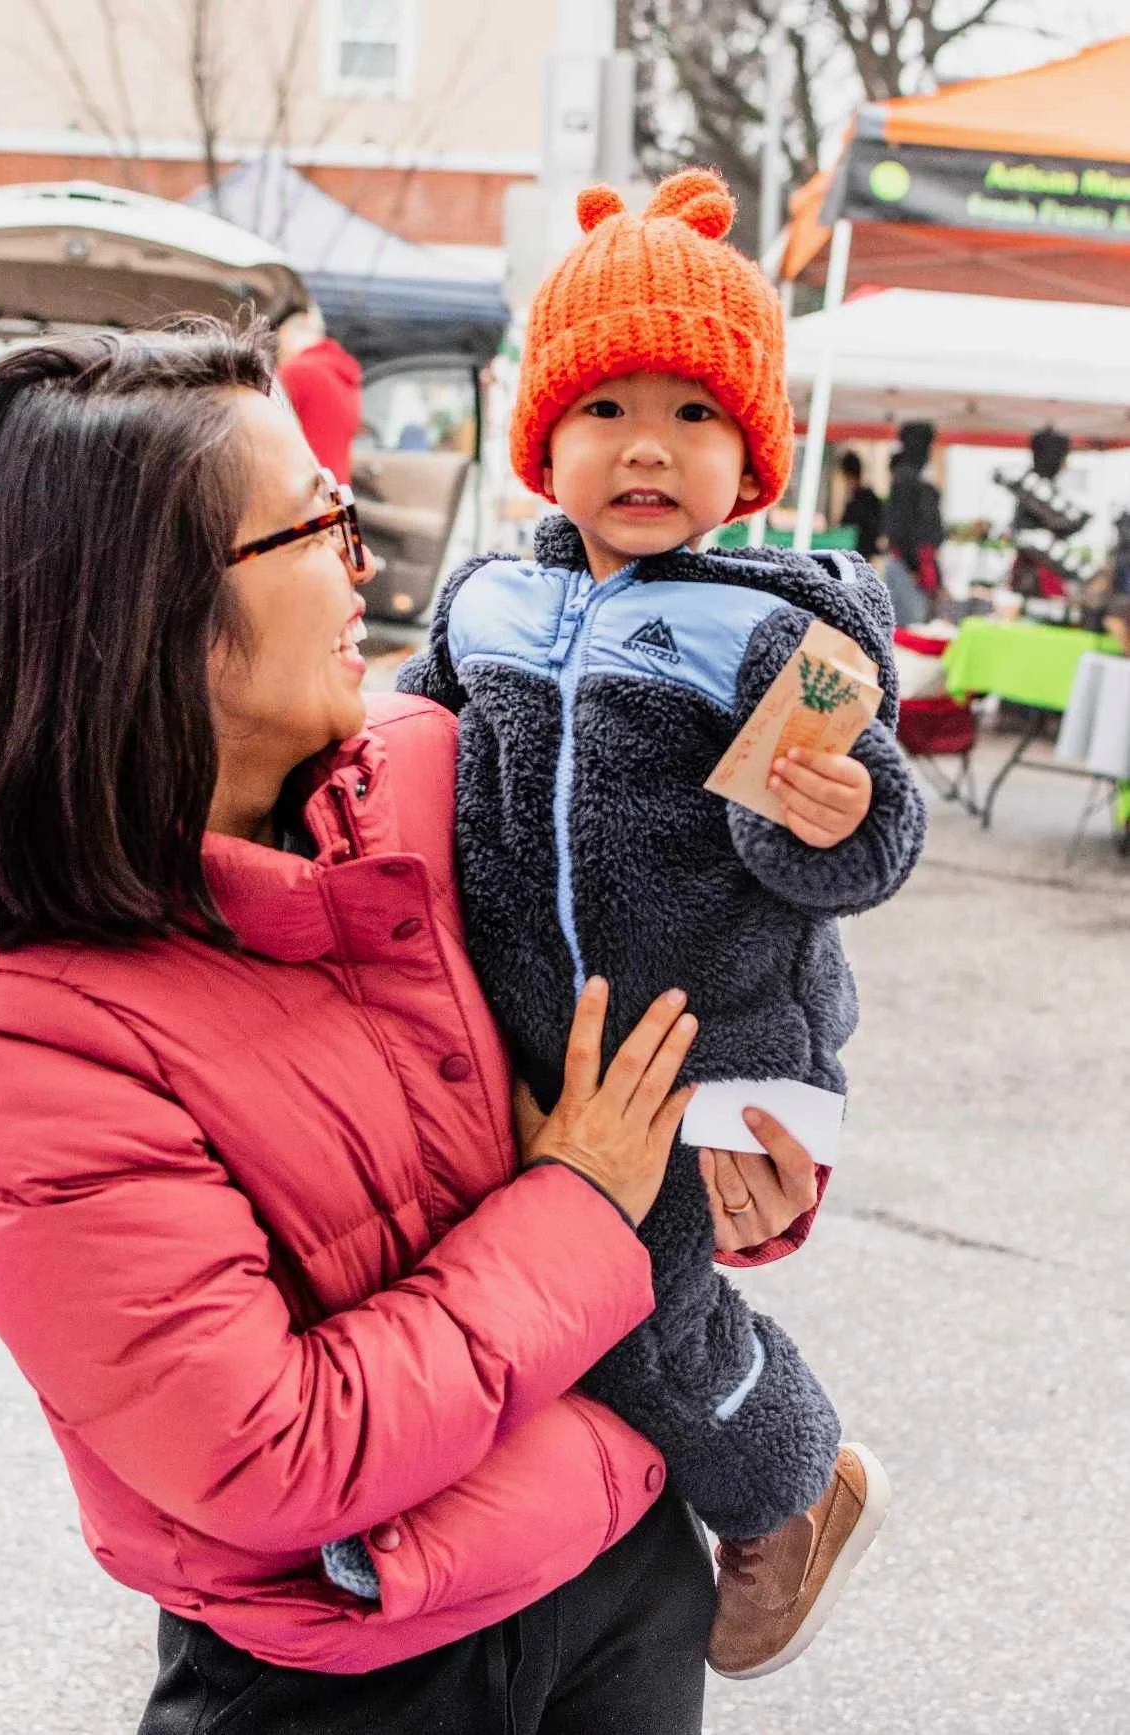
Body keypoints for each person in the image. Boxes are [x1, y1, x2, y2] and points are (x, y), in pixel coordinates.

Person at [0, 322, 824, 1734]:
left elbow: (683, 966)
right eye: (318, 523)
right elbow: (272, 1448)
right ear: (150, 608)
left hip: (626, 1562)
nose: (362, 564)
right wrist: (584, 1202)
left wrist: (748, 1161)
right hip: (351, 1666)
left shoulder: (433, 767)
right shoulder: (29, 1035)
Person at [393, 170, 926, 1680]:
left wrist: (828, 814)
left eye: (695, 412)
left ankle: (791, 1484)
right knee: (549, 1296)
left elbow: (869, 843)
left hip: (713, 1051)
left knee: (634, 1313)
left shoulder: (776, 630)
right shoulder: (483, 604)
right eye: (606, 406)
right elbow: (405, 756)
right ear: (540, 436)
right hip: (542, 1045)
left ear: (750, 455)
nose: (646, 443)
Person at [275, 302, 362, 483]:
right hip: (335, 490)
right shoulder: (344, 376)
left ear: (288, 334)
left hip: (304, 488)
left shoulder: (296, 372)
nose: (278, 352)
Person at [882, 422, 945, 626]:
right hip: (910, 569)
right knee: (911, 626)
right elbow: (901, 529)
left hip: (913, 567)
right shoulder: (906, 481)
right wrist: (914, 568)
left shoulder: (910, 479)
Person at [837, 449, 883, 560]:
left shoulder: (857, 501)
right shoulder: (870, 497)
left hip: (858, 552)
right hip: (864, 553)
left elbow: (846, 526)